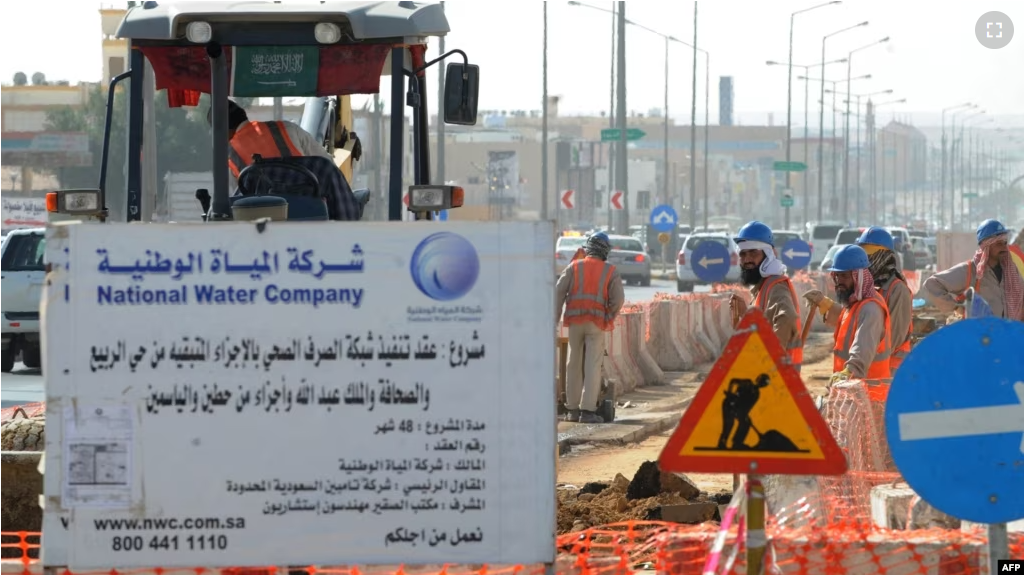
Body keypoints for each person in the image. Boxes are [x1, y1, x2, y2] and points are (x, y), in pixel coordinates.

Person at [556, 232, 626, 424]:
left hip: (574, 321)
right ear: (605, 251)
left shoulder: (574, 267)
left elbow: (558, 293)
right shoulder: (610, 271)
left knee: (573, 363)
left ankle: (572, 410)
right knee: (592, 365)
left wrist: (554, 320)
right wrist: (609, 316)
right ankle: (587, 412)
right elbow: (618, 299)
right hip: (596, 323)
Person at [802, 245, 893, 387]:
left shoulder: (870, 309)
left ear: (859, 276)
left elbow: (863, 347)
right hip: (850, 389)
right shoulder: (855, 302)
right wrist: (824, 303)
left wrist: (850, 371)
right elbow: (846, 321)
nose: (839, 281)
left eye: (844, 276)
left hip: (868, 394)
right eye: (837, 276)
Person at [729, 221, 803, 371]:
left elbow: (787, 318)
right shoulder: (762, 287)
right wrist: (745, 315)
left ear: (768, 254)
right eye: (743, 254)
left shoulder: (776, 286)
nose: (747, 259)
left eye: (753, 253)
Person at [922, 219, 1024, 322]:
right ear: (986, 246)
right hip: (980, 336)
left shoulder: (1011, 273)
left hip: (1007, 334)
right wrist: (956, 307)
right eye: (998, 244)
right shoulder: (970, 271)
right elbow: (931, 284)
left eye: (1005, 243)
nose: (1004, 247)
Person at [856, 227, 914, 372]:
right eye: (864, 255)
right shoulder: (865, 288)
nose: (866, 262)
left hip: (890, 373)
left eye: (871, 255)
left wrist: (862, 357)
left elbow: (893, 339)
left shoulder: (898, 290)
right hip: (868, 369)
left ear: (885, 256)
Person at [717, 374, 770, 450]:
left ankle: (737, 443)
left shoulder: (756, 394)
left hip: (738, 409)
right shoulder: (748, 383)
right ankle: (722, 443)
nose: (762, 384)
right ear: (758, 379)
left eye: (764, 384)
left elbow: (747, 407)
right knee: (729, 424)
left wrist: (745, 416)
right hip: (729, 405)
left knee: (746, 422)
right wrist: (730, 393)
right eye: (762, 381)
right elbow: (733, 381)